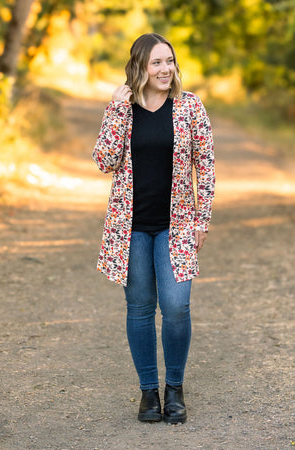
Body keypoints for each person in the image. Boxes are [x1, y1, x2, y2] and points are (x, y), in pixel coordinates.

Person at [93, 33, 215, 424]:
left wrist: (202, 218)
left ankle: (174, 388)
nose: (165, 70)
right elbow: (104, 161)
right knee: (141, 308)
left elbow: (206, 164)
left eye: (170, 61)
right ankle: (148, 392)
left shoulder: (189, 106)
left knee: (177, 307)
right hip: (130, 228)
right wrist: (114, 110)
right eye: (156, 63)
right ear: (140, 68)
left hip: (176, 225)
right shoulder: (123, 108)